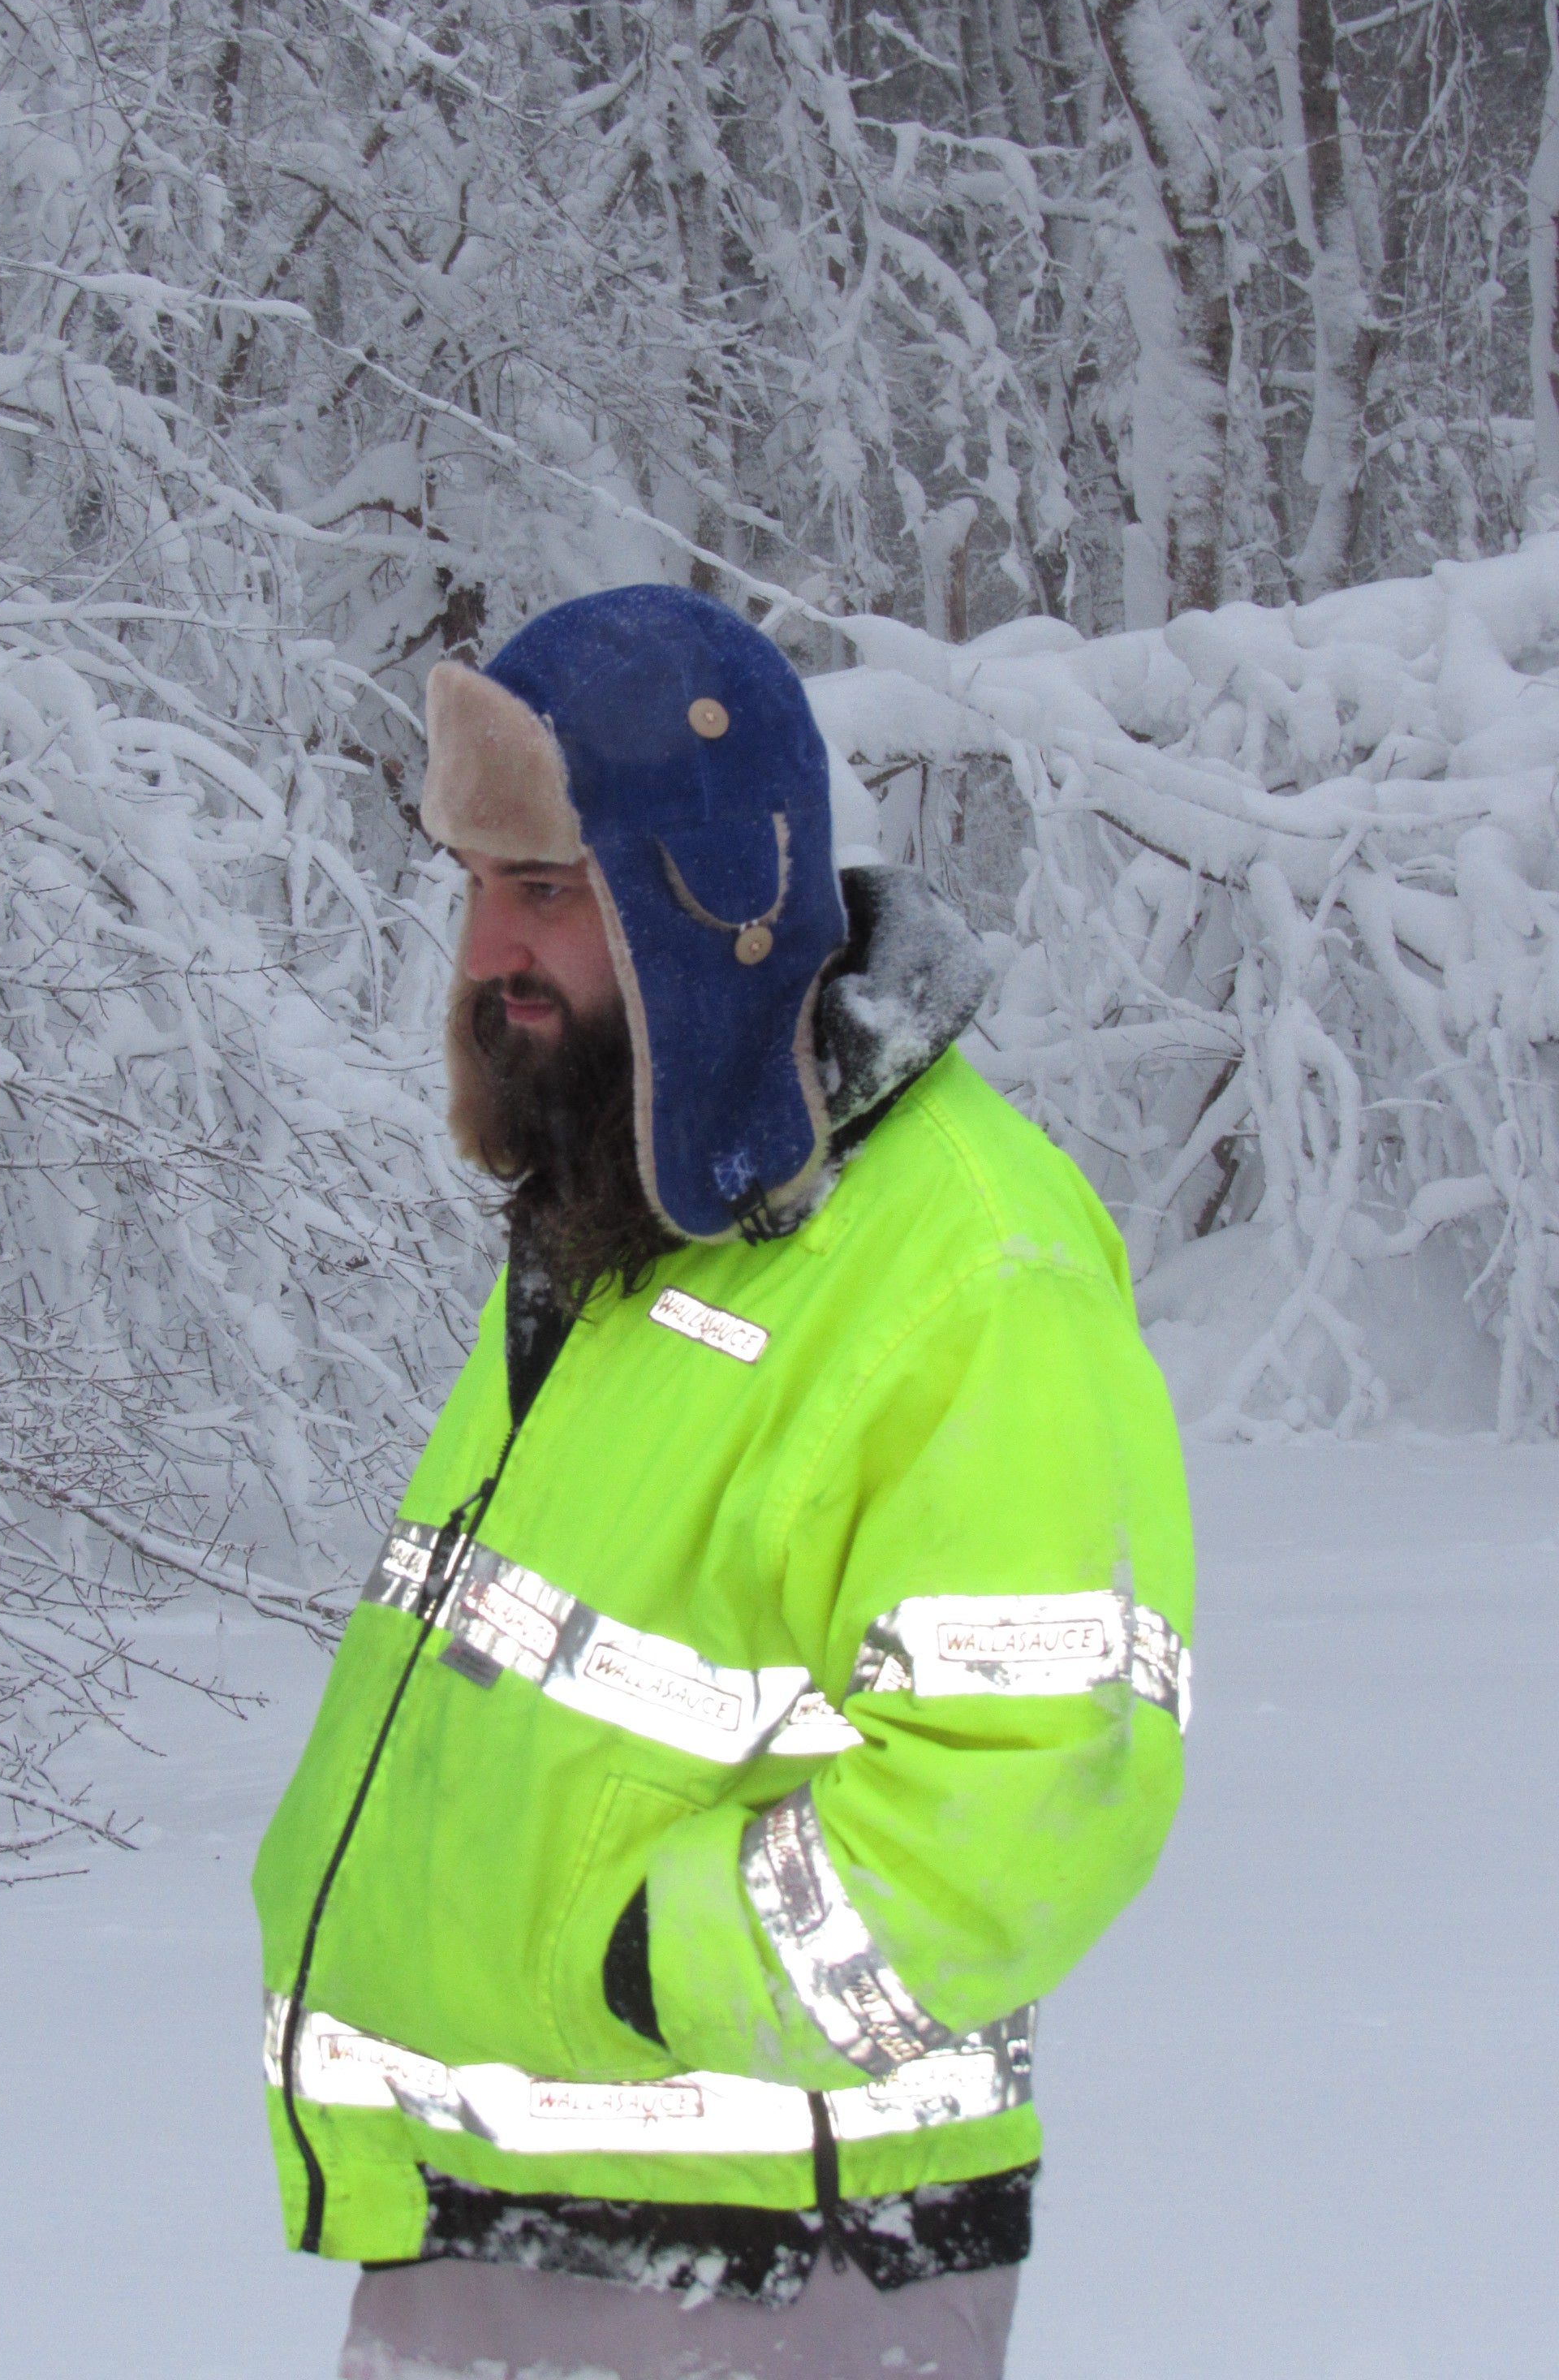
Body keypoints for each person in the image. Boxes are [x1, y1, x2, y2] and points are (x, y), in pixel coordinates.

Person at [251, 584, 1193, 2380]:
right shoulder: (639, 1212)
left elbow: (1043, 1769)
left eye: (549, 891)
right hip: (503, 2213)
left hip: (777, 2258)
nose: (489, 951)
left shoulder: (965, 1264)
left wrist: (649, 1965)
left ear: (703, 899)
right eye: (477, 887)